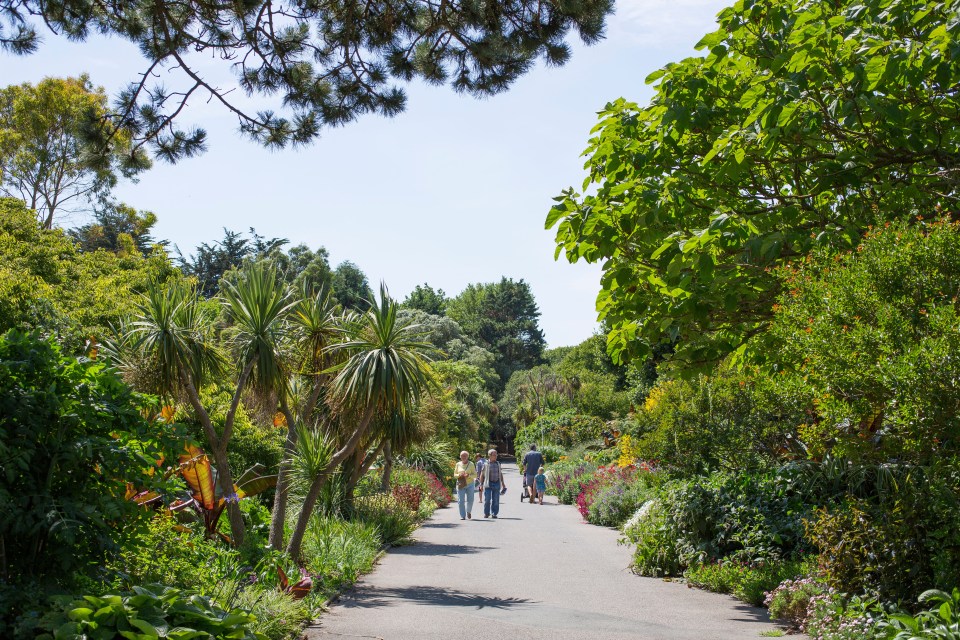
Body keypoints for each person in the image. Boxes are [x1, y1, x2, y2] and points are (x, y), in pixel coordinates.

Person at [479, 449, 507, 519]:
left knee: (496, 500)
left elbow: (500, 473)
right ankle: (486, 513)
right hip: (488, 483)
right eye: (494, 455)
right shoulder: (485, 464)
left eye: (496, 454)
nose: (496, 456)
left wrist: (503, 483)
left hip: (497, 483)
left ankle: (494, 513)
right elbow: (482, 475)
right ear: (490, 456)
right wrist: (481, 485)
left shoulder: (498, 463)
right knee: (487, 499)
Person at [454, 451, 476, 520]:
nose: (463, 457)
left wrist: (468, 475)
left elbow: (475, 475)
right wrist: (459, 475)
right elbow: (454, 475)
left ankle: (468, 511)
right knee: (461, 501)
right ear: (460, 456)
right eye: (462, 456)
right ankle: (463, 516)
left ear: (467, 457)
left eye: (465, 456)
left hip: (470, 484)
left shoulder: (471, 464)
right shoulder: (458, 464)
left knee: (470, 500)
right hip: (460, 484)